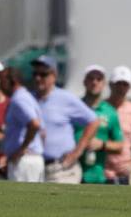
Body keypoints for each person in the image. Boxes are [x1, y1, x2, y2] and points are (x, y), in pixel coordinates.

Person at [31, 55, 99, 184]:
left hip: (62, 169)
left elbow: (93, 121)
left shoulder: (65, 98)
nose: (38, 78)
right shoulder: (28, 99)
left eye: (43, 74)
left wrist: (77, 152)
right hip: (34, 168)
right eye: (35, 74)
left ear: (54, 75)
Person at [77, 64, 123, 184]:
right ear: (84, 81)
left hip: (97, 175)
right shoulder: (75, 106)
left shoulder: (110, 112)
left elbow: (120, 145)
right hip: (71, 171)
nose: (94, 82)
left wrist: (101, 145)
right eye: (91, 78)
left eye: (99, 79)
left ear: (104, 83)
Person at [0, 66, 44, 182]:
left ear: (12, 81)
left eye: (2, 81)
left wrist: (22, 149)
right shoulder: (27, 97)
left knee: (21, 199)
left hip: (24, 161)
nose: (0, 85)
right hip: (30, 159)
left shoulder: (19, 99)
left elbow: (34, 124)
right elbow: (42, 132)